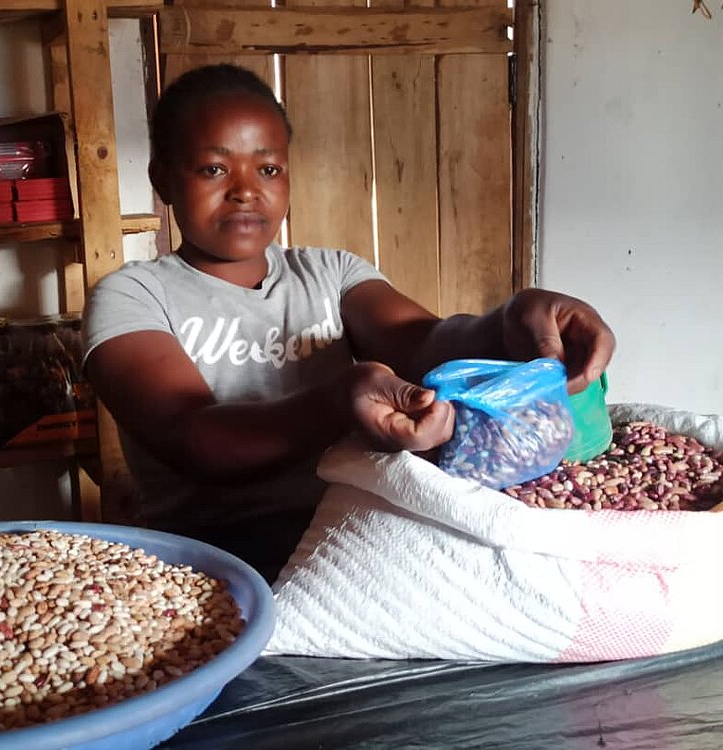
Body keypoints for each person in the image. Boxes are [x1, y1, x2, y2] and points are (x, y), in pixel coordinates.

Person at [81, 64, 615, 582]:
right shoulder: (132, 296)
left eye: (268, 169)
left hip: (352, 530)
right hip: (214, 557)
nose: (246, 190)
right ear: (162, 179)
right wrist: (342, 400)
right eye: (214, 169)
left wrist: (512, 320)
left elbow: (422, 340)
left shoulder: (330, 273)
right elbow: (195, 440)